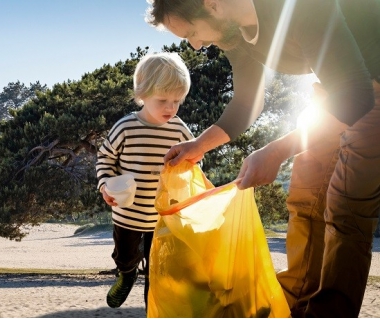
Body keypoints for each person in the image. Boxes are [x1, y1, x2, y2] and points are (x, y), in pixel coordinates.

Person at [145, 0, 380, 317]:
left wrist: (278, 150)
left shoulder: (302, 7)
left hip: (367, 85)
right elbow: (248, 101)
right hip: (337, 90)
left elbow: (357, 98)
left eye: (192, 32)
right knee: (306, 197)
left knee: (346, 208)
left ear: (212, 4)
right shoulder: (233, 32)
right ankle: (292, 305)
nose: (196, 45)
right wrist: (199, 145)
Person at [96, 51, 194, 310]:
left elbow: (194, 161)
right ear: (142, 94)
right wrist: (105, 184)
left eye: (177, 101)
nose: (171, 108)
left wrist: (189, 166)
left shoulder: (180, 130)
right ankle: (127, 275)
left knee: (158, 270)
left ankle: (153, 308)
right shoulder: (125, 127)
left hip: (164, 217)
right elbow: (105, 159)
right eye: (163, 100)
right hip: (128, 213)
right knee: (125, 257)